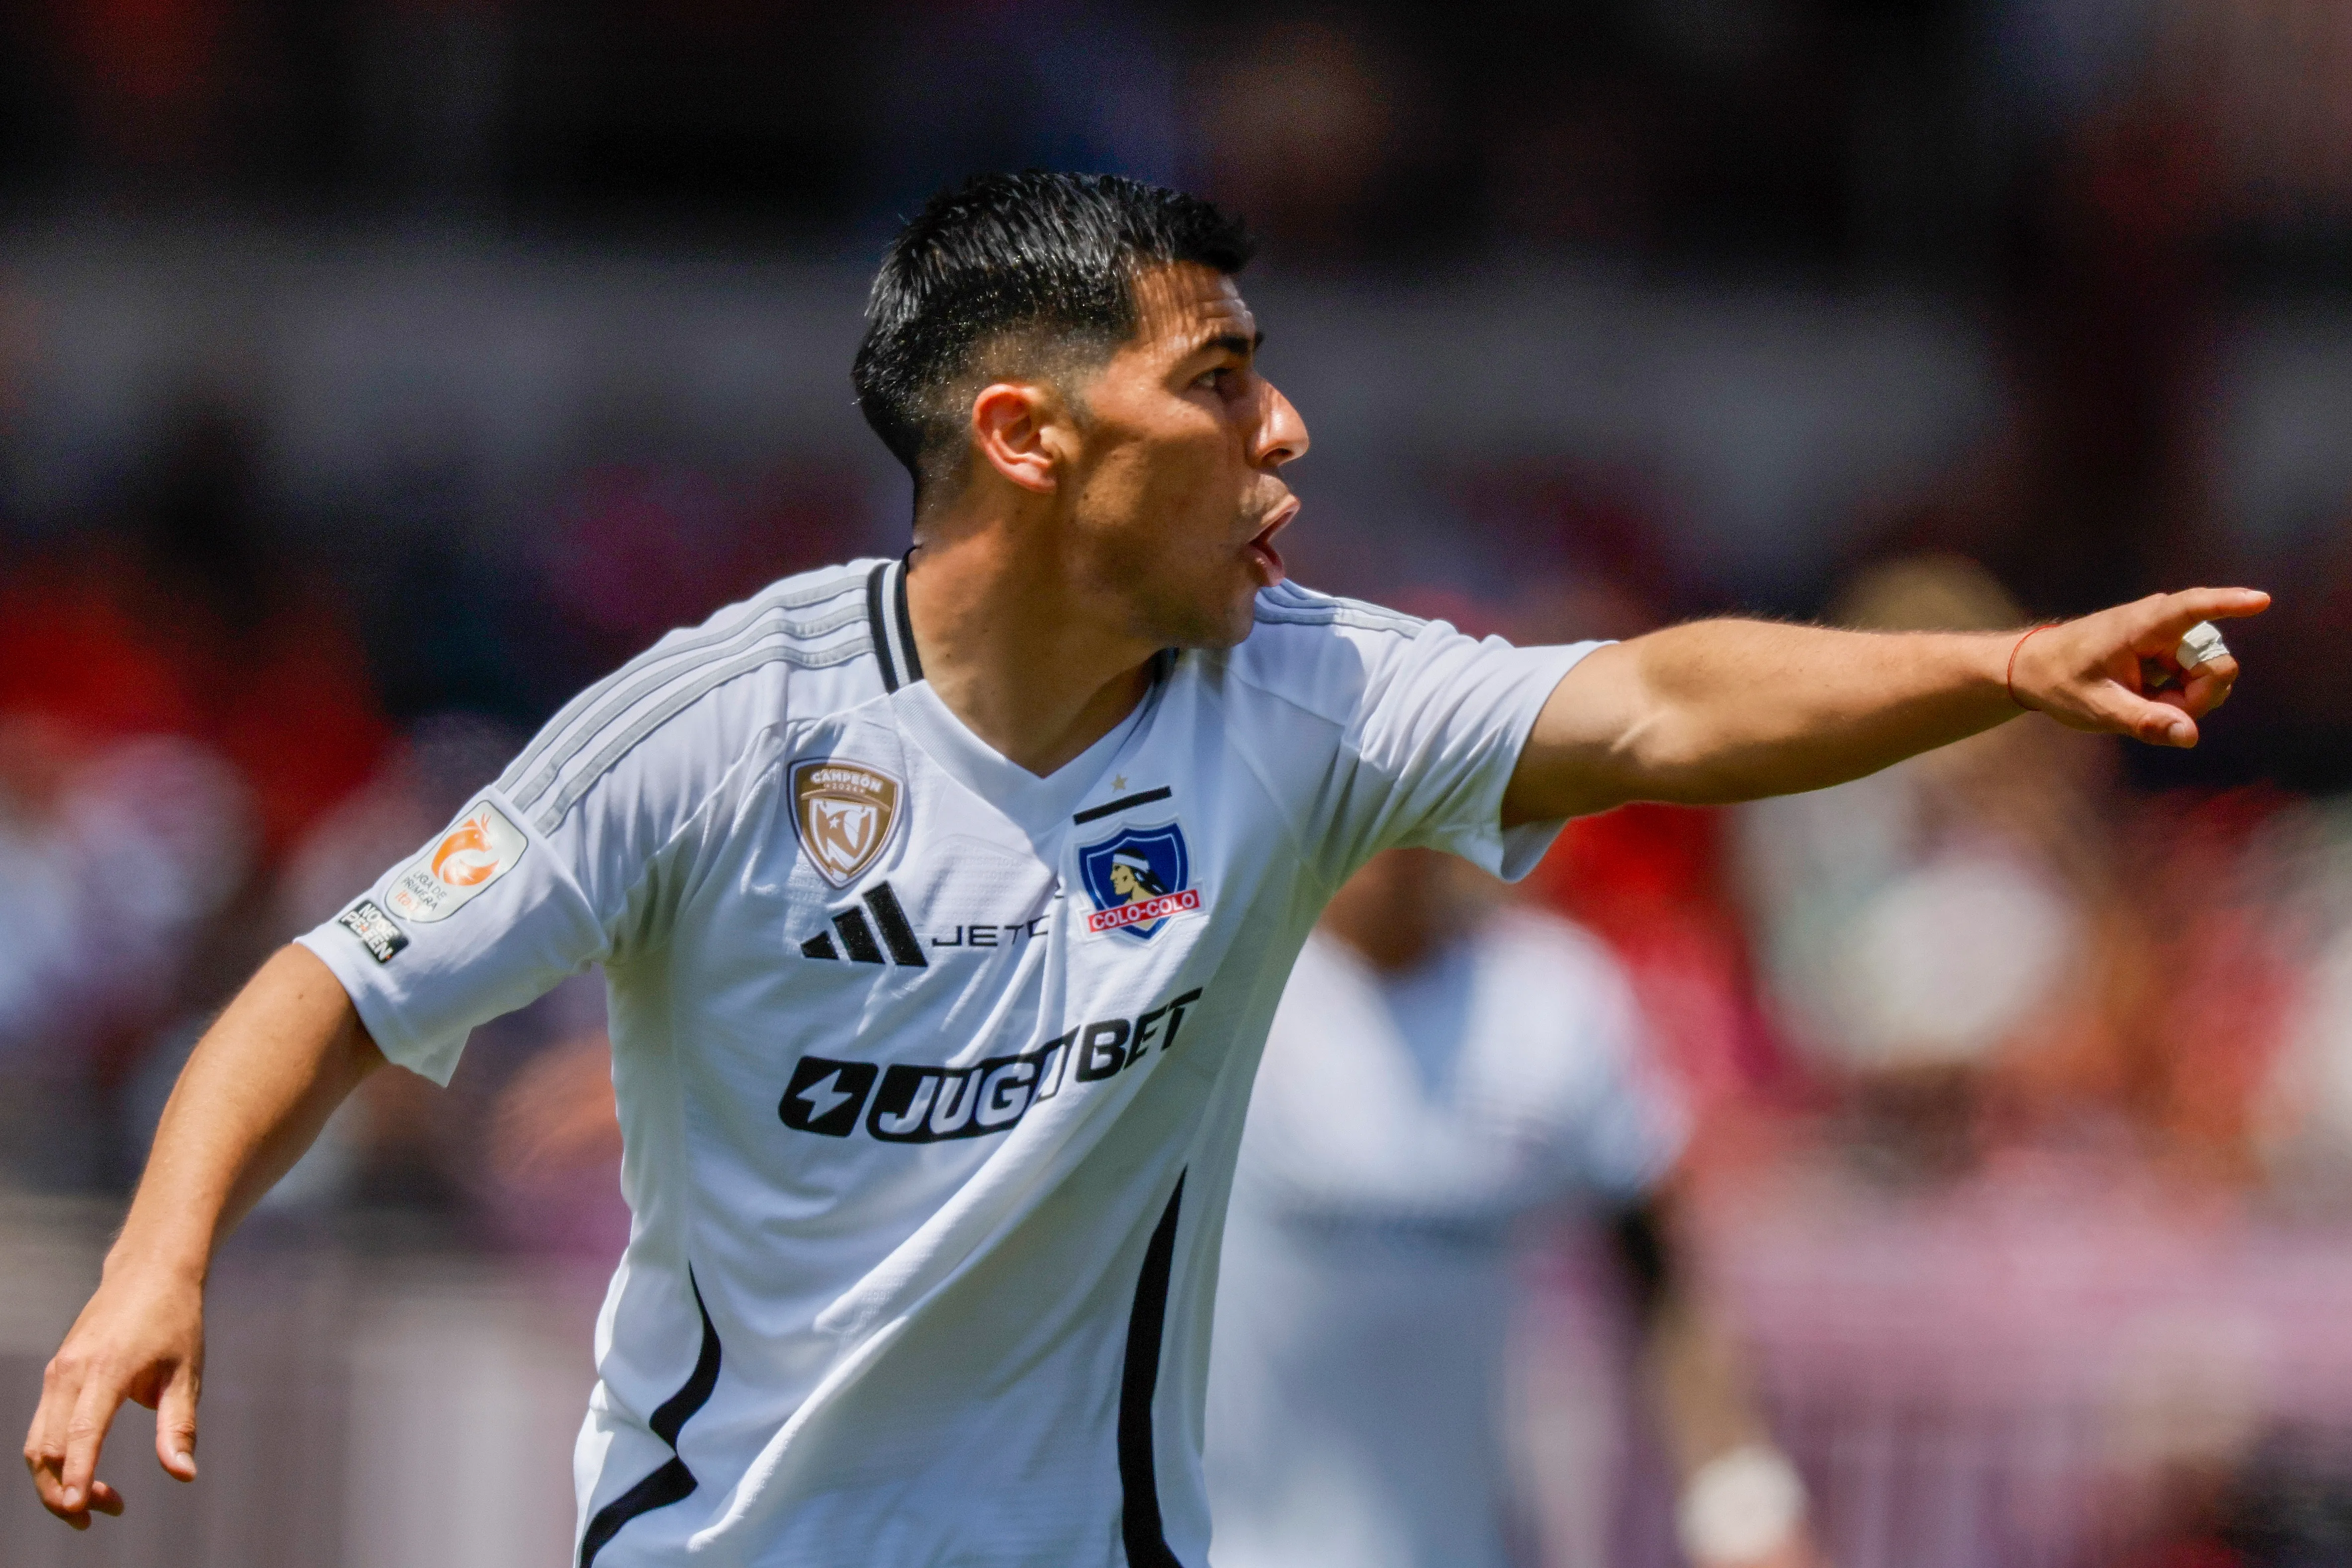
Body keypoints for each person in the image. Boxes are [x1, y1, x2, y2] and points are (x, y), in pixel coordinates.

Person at [23, 172, 2264, 1565]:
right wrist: (160, 1253)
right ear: (1030, 434)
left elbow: (1661, 703)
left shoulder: (1290, 697)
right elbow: (334, 972)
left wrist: (1995, 664)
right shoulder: (726, 724)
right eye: (1220, 378)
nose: (1285, 432)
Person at [1205, 847, 1806, 1568]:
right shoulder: (1209, 987)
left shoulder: (1550, 995)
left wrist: (1741, 1500)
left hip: (1472, 1545)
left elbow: (1656, 1271)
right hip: (1224, 1547)